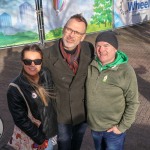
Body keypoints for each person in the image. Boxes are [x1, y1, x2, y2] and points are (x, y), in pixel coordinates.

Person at [43, 14, 94, 150]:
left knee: (77, 143)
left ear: (83, 37)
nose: (71, 35)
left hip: (82, 112)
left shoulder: (89, 50)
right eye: (69, 29)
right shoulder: (47, 56)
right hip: (61, 114)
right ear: (63, 29)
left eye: (77, 32)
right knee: (64, 146)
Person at [86, 31, 140, 150]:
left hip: (113, 130)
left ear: (115, 48)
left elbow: (133, 102)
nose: (101, 49)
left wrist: (121, 127)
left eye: (106, 46)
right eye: (98, 46)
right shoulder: (91, 65)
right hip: (95, 127)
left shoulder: (126, 71)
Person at [7, 44, 57, 150]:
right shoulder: (15, 88)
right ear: (22, 62)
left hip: (51, 132)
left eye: (37, 61)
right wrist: (41, 140)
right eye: (28, 61)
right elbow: (21, 119)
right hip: (37, 139)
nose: (32, 65)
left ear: (42, 61)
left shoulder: (46, 74)